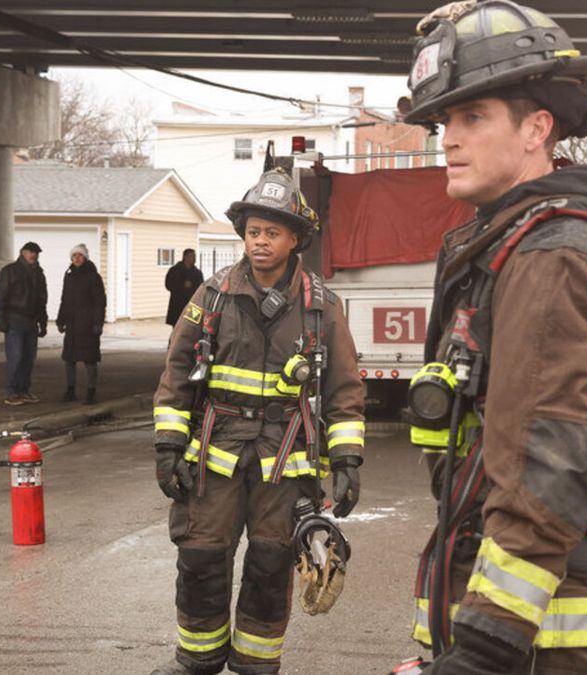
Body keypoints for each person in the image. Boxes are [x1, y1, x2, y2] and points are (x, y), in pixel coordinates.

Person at [400, 3, 587, 673]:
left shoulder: (553, 258)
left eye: (472, 117)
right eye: (443, 121)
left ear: (537, 127)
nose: (447, 138)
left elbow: (549, 463)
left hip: (535, 647)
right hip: (519, 630)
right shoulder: (509, 243)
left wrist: (484, 645)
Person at [150, 169, 366, 675]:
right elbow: (177, 373)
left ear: (295, 239)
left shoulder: (322, 308)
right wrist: (167, 446)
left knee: (270, 567)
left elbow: (344, 390)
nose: (260, 242)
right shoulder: (212, 298)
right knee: (201, 561)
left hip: (284, 464)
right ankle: (197, 661)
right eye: (253, 232)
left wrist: (348, 460)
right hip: (214, 457)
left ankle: (255, 663)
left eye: (272, 232)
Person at [0, 241, 48, 405]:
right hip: (14, 321)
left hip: (31, 322)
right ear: (22, 252)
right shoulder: (10, 271)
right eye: (30, 251)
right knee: (15, 358)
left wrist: (43, 322)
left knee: (28, 359)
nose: (33, 255)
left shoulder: (39, 273)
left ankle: (23, 390)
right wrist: (1, 319)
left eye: (36, 252)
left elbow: (42, 300)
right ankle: (11, 392)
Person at [56, 243, 106, 404]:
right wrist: (61, 319)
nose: (77, 258)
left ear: (85, 257)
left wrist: (98, 323)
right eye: (74, 256)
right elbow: (65, 299)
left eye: (80, 255)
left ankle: (91, 391)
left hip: (88, 324)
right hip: (71, 324)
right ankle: (70, 390)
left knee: (89, 359)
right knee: (69, 359)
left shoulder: (93, 276)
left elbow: (100, 302)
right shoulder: (69, 275)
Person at [164, 247, 204, 325]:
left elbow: (201, 287)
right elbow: (168, 285)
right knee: (177, 327)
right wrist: (181, 285)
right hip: (178, 303)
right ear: (185, 257)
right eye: (192, 256)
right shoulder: (175, 270)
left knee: (192, 327)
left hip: (193, 304)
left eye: (195, 257)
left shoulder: (197, 273)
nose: (194, 259)